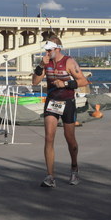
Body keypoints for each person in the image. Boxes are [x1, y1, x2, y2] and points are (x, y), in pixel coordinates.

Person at [32, 35, 89, 188]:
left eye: (49, 50)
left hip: (68, 102)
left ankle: (74, 168)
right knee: (49, 138)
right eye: (46, 50)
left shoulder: (69, 62)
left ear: (57, 49)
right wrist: (40, 65)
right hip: (52, 102)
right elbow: (35, 82)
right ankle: (50, 176)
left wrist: (66, 83)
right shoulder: (46, 62)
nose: (46, 52)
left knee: (69, 138)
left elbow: (83, 81)